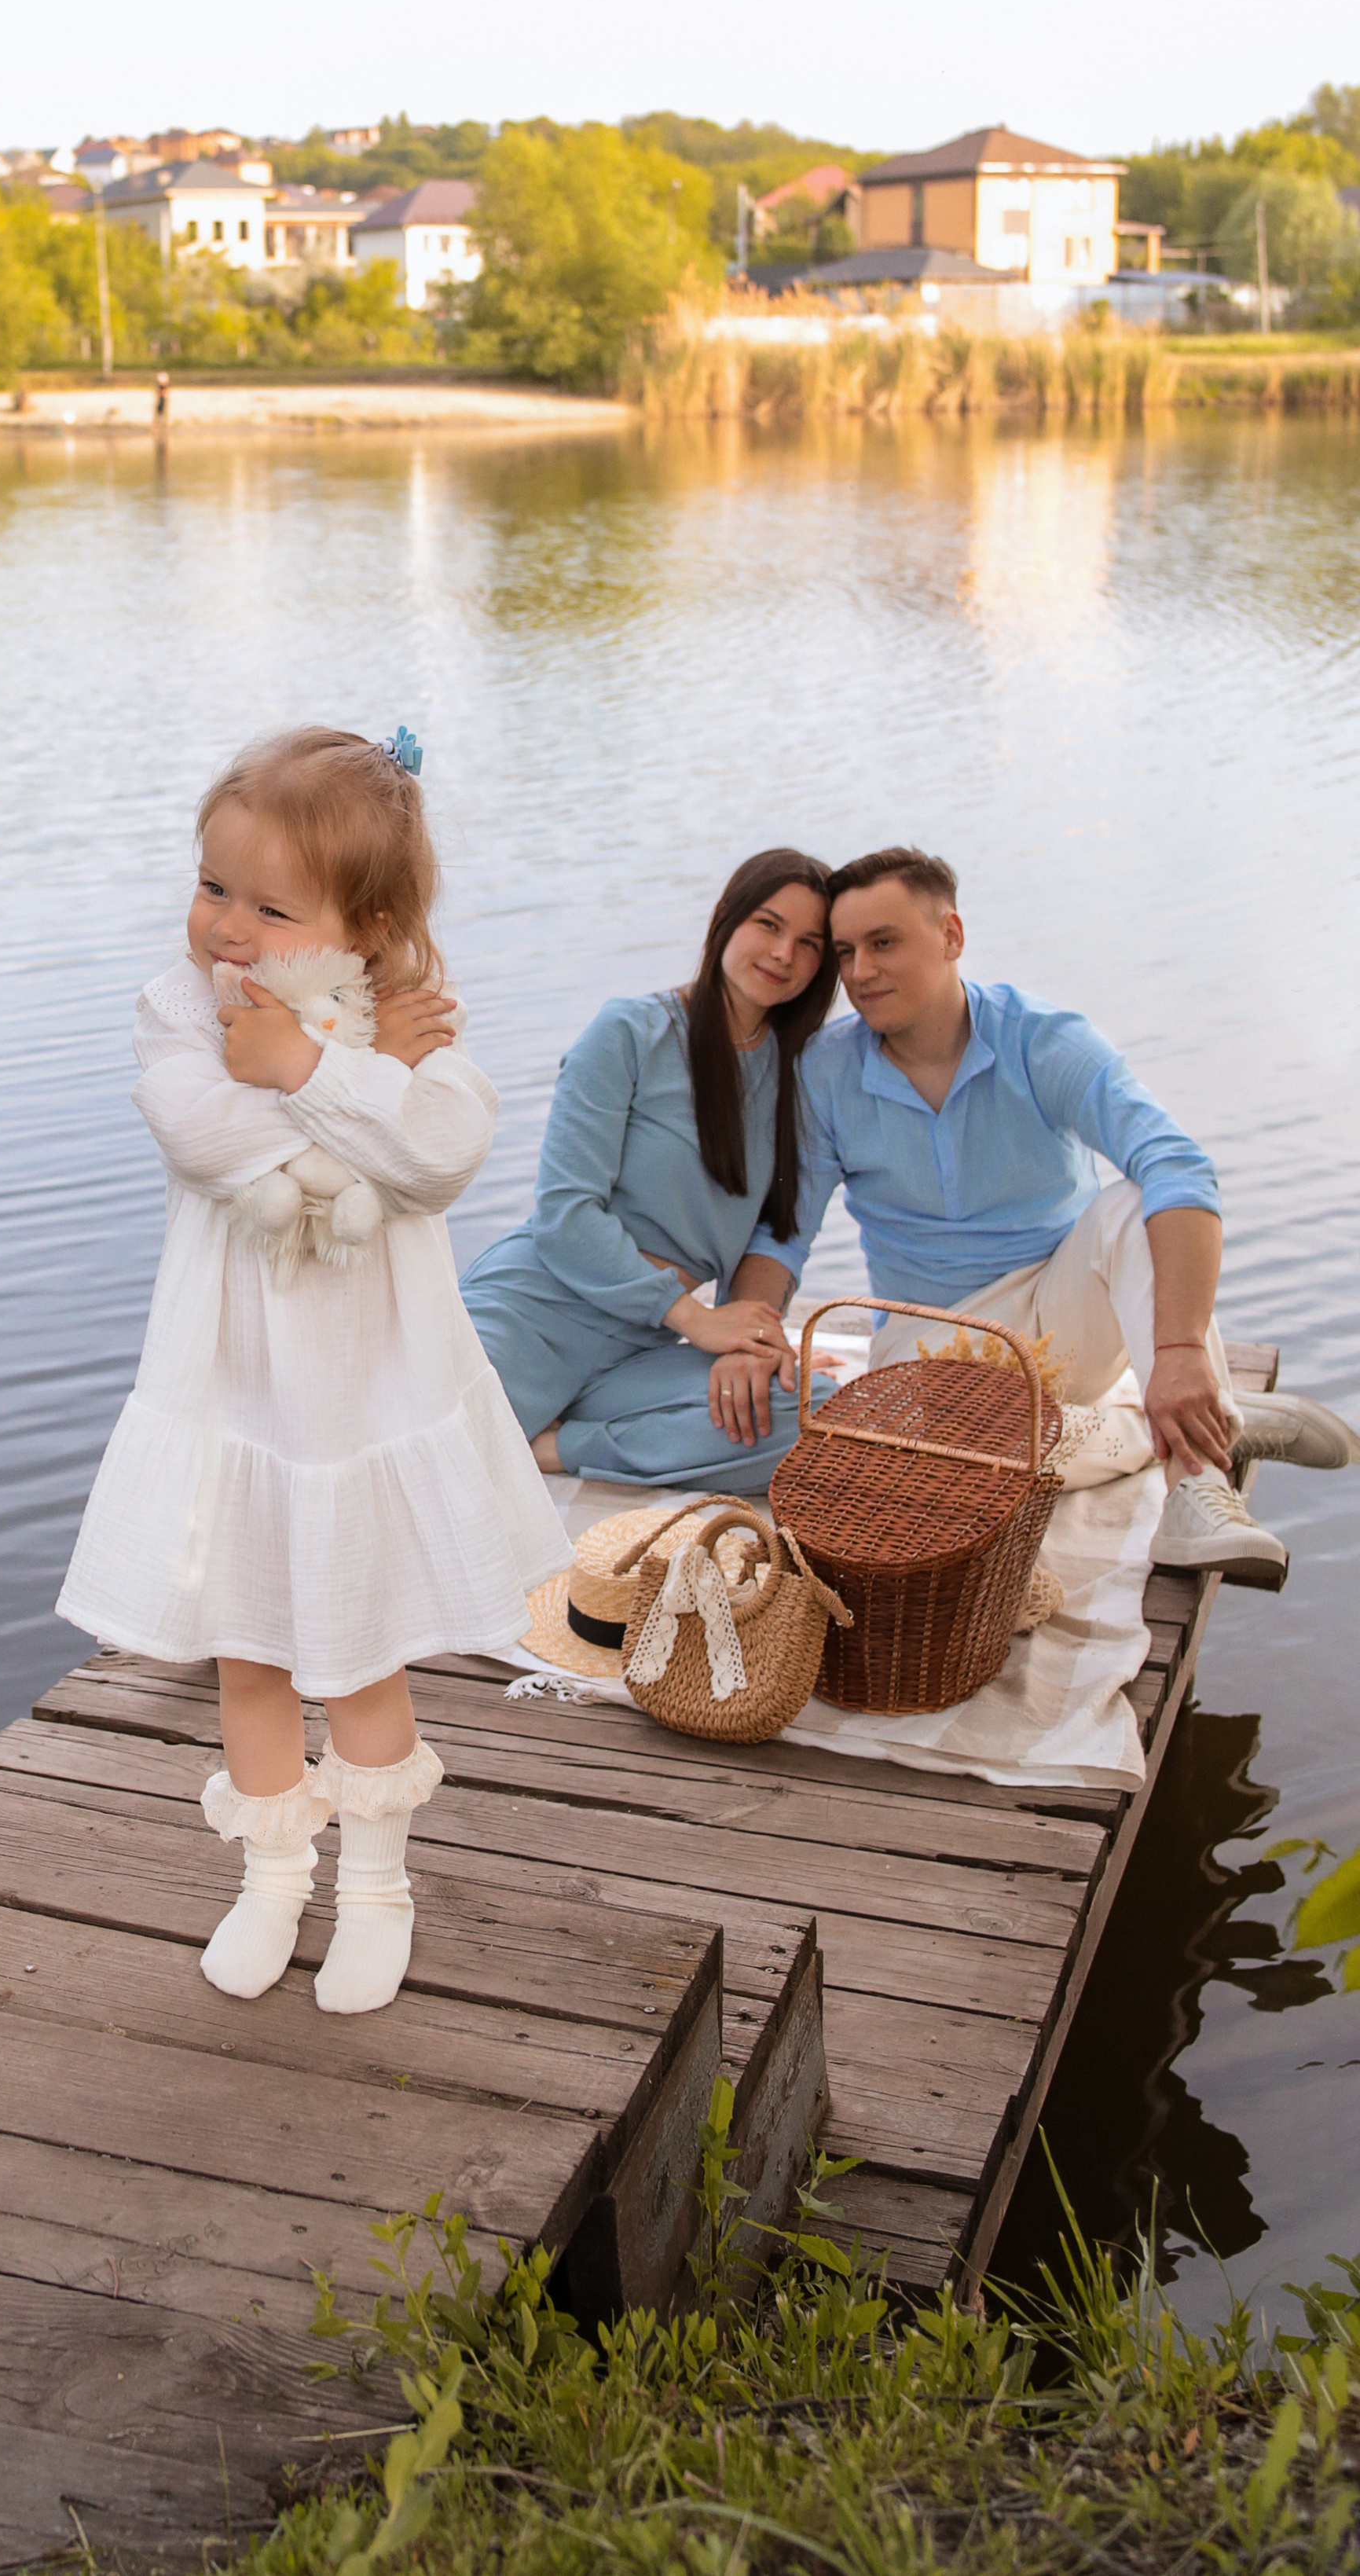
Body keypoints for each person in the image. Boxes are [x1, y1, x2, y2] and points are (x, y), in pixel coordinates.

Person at [57, 726, 567, 2015]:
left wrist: (326, 1063)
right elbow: (204, 1128)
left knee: (358, 1652)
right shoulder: (181, 1007)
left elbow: (443, 1151)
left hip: (362, 1390)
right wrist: (354, 1082)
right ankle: (275, 1870)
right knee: (250, 1651)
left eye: (269, 905)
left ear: (367, 924)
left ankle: (379, 1883)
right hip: (233, 1386)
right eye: (212, 884)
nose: (226, 924)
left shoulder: (412, 1026)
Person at [724, 847, 1356, 1576]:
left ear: (951, 936)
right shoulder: (825, 1072)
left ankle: (1198, 1489)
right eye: (844, 952)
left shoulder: (1042, 1040)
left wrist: (1178, 1351)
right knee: (920, 1477)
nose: (860, 972)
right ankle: (1204, 1423)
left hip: (1061, 1313)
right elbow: (786, 1232)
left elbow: (1179, 1165)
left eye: (884, 942)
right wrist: (750, 1333)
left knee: (1134, 1203)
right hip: (931, 1345)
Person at [460, 850, 838, 1492]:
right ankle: (557, 1433)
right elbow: (564, 1215)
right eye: (768, 925)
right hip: (540, 1310)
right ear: (725, 918)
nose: (782, 954)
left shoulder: (801, 1080)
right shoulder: (631, 1033)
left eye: (808, 944)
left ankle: (557, 1447)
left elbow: (776, 1237)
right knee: (430, 1451)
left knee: (815, 1414)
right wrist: (697, 1320)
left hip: (640, 1351)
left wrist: (750, 1337)